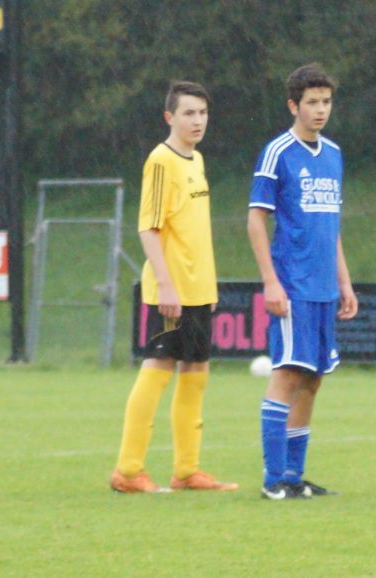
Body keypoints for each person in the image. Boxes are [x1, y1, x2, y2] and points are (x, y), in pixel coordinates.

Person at [110, 81, 238, 494]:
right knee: (157, 369)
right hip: (171, 291)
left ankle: (187, 471)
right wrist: (166, 284)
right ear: (170, 117)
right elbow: (148, 228)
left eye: (202, 113)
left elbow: (192, 230)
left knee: (196, 373)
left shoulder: (196, 159)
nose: (198, 120)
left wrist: (208, 285)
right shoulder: (161, 161)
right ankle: (128, 471)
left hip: (198, 290)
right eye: (189, 113)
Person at [247, 63, 358, 501]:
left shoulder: (333, 154)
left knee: (312, 379)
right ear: (293, 105)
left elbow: (331, 226)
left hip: (325, 288)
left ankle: (294, 476)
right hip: (293, 284)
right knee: (288, 374)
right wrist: (271, 282)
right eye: (312, 102)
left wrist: (345, 283)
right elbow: (256, 219)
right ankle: (273, 479)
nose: (320, 109)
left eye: (326, 101)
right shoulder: (278, 152)